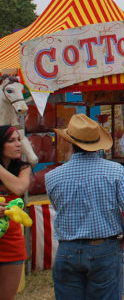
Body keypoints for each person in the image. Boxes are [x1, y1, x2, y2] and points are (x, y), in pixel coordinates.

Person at [45, 114, 124, 300]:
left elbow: (58, 207)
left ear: (71, 143)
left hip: (67, 249)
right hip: (104, 248)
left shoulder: (52, 177)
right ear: (97, 144)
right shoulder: (115, 171)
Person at [0, 126, 31, 300]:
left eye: (19, 139)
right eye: (11, 141)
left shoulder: (23, 168)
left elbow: (19, 187)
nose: (18, 144)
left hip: (11, 240)